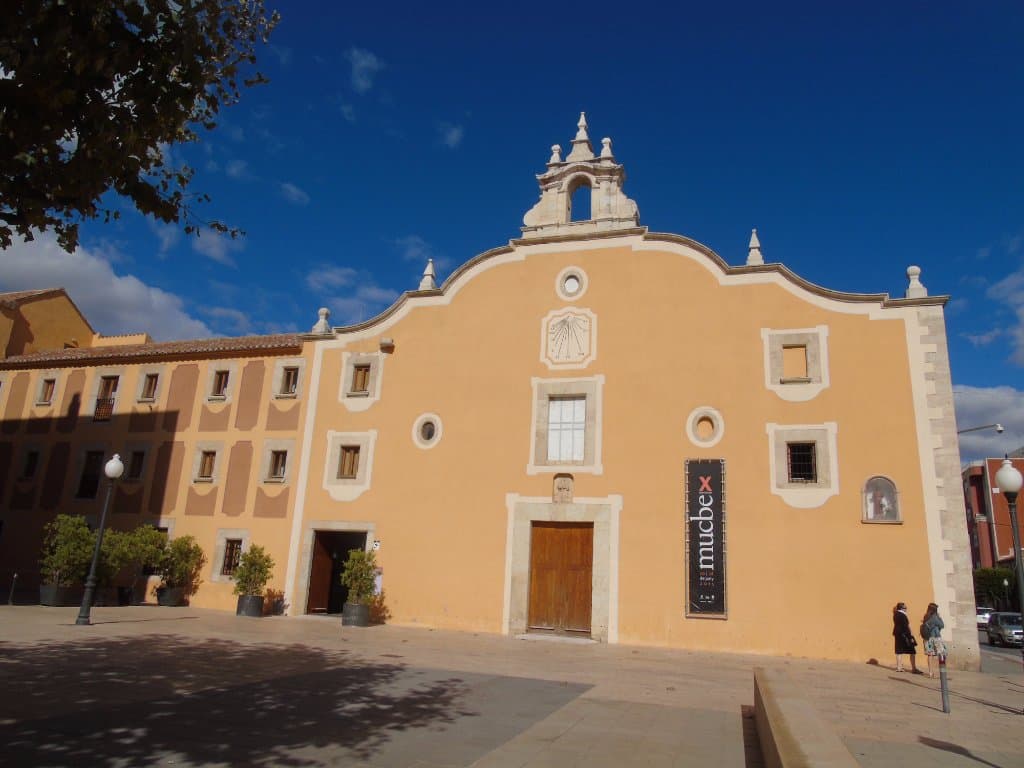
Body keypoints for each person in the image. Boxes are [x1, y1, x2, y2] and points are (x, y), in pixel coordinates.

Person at [892, 602, 921, 673]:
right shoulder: (903, 615)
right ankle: (914, 668)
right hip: (905, 635)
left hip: (897, 634)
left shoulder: (895, 614)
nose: (906, 609)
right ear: (901, 608)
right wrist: (910, 636)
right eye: (905, 608)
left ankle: (899, 667)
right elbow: (906, 626)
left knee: (899, 651)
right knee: (912, 651)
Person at [920, 602, 946, 678]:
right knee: (941, 653)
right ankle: (942, 671)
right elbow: (942, 625)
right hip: (935, 637)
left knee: (930, 654)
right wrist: (939, 618)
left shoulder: (926, 616)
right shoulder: (935, 617)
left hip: (927, 638)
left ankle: (930, 672)